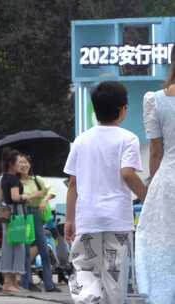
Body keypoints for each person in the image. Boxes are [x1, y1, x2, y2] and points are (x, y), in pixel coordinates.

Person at [64, 81, 147, 304]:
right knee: (115, 275)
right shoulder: (128, 139)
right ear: (123, 110)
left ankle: (89, 299)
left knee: (84, 267)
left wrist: (69, 219)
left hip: (88, 217)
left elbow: (73, 183)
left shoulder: (81, 140)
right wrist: (148, 197)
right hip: (117, 220)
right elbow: (128, 174)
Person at [135, 47, 175, 304]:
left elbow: (156, 152)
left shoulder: (156, 99)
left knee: (162, 242)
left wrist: (151, 182)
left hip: (169, 179)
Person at [0, 148, 42, 293]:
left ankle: (11, 283)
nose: (21, 164)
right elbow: (16, 197)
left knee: (12, 246)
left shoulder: (4, 177)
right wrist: (28, 196)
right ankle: (9, 283)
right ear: (12, 163)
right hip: (16, 214)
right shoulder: (13, 179)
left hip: (10, 215)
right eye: (18, 162)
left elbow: (1, 195)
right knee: (16, 247)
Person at [18, 154, 61, 293]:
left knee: (44, 250)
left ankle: (49, 284)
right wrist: (35, 195)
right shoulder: (15, 182)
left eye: (26, 162)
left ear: (30, 164)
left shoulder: (37, 180)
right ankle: (27, 283)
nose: (24, 165)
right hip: (23, 215)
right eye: (20, 163)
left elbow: (51, 191)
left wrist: (44, 199)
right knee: (25, 251)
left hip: (36, 215)